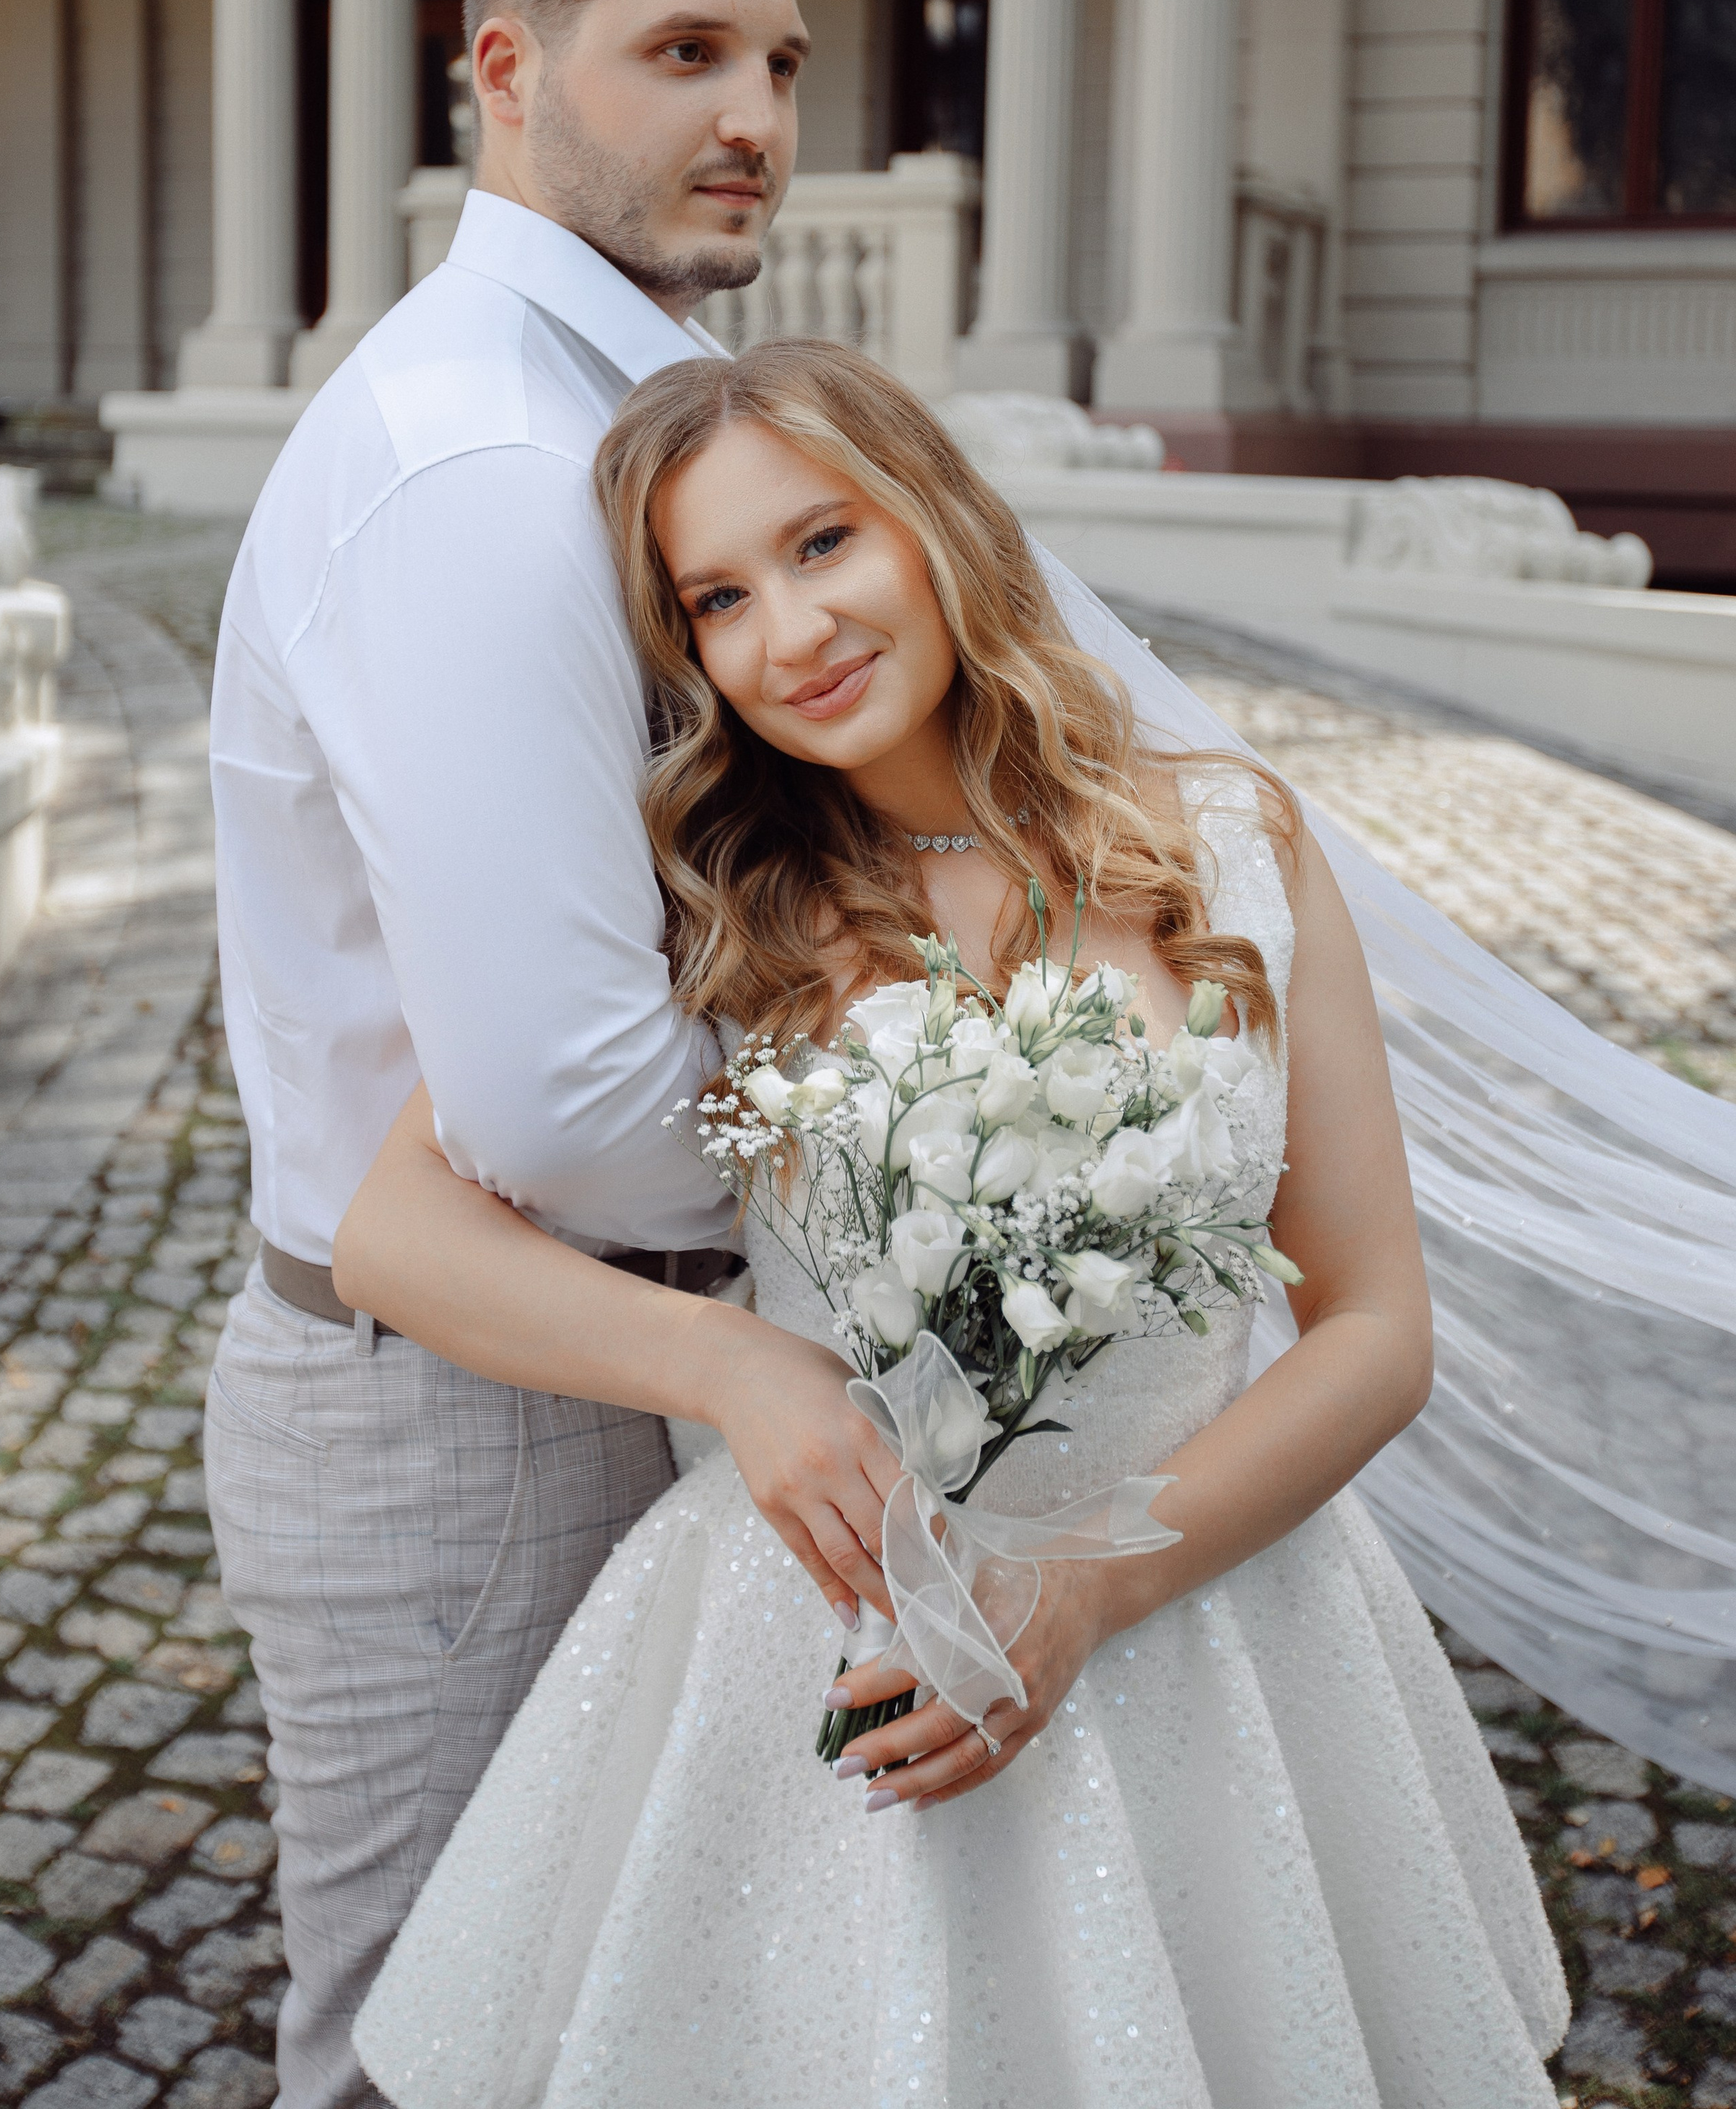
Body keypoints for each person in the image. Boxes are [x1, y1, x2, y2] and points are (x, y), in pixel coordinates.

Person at [343, 341, 1569, 2109]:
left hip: (1213, 1621)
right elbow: (392, 1232)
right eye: (715, 599)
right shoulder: (707, 918)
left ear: (933, 520)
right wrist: (733, 1366)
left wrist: (1095, 1585)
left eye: (823, 541)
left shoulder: (1225, 846)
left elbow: (1377, 1327)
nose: (790, 630)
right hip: (836, 1652)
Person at [204, 0, 921, 2109]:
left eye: (786, 64)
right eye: (683, 48)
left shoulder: (619, 421)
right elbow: (563, 1103)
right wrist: (955, 1194)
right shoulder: (485, 466)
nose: (753, 120)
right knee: (437, 2048)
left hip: (596, 1359)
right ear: (504, 70)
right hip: (467, 1407)